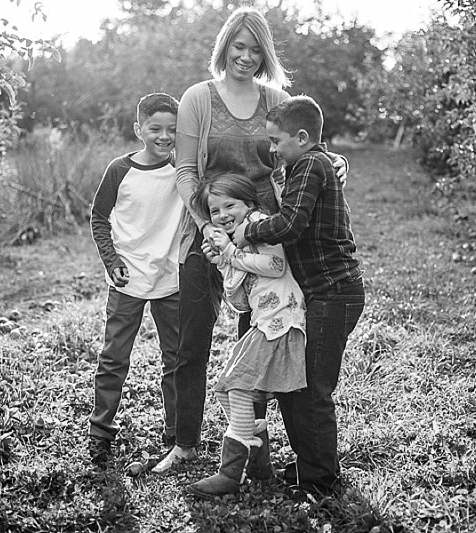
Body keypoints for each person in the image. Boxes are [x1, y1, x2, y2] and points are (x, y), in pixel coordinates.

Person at [152, 6, 348, 474]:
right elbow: (184, 170)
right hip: (206, 232)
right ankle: (184, 443)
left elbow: (304, 149)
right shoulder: (199, 98)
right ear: (224, 47)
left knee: (262, 342)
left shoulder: (274, 97)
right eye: (238, 47)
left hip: (269, 240)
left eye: (255, 49)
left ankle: (252, 453)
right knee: (191, 342)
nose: (245, 56)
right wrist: (206, 225)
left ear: (265, 54)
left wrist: (337, 162)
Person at [233, 95, 365, 496]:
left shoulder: (309, 164)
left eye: (276, 141)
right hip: (319, 295)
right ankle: (311, 468)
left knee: (312, 390)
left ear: (303, 137)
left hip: (333, 293)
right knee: (295, 385)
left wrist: (247, 233)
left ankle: (322, 483)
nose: (272, 149)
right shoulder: (311, 163)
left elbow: (290, 223)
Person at [182, 173, 306, 498]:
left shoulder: (259, 223)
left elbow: (277, 264)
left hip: (280, 319)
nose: (223, 215)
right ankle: (260, 467)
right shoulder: (236, 239)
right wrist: (224, 263)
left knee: (237, 386)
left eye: (229, 205)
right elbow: (239, 303)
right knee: (226, 389)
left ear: (247, 203)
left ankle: (230, 474)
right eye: (215, 211)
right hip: (262, 321)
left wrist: (233, 254)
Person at [88, 93, 187, 466]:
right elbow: (99, 218)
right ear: (138, 129)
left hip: (170, 278)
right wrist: (111, 261)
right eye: (155, 128)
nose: (164, 136)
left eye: (172, 130)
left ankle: (176, 432)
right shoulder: (119, 169)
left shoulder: (183, 169)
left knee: (175, 360)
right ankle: (100, 432)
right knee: (114, 357)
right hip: (127, 277)